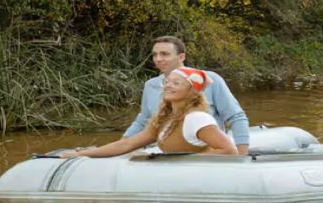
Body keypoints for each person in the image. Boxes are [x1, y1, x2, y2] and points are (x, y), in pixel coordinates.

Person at [56, 67, 239, 157]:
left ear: (192, 92)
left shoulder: (197, 118)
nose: (168, 86)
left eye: (177, 83)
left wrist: (184, 161)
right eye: (167, 82)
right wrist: (80, 154)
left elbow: (229, 150)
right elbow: (126, 145)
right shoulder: (164, 120)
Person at [122, 36, 252, 153]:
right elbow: (143, 120)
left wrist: (241, 156)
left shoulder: (210, 79)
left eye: (164, 54)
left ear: (181, 57)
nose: (158, 59)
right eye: (155, 55)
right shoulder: (150, 85)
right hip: (169, 153)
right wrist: (123, 144)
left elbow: (236, 117)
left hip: (208, 155)